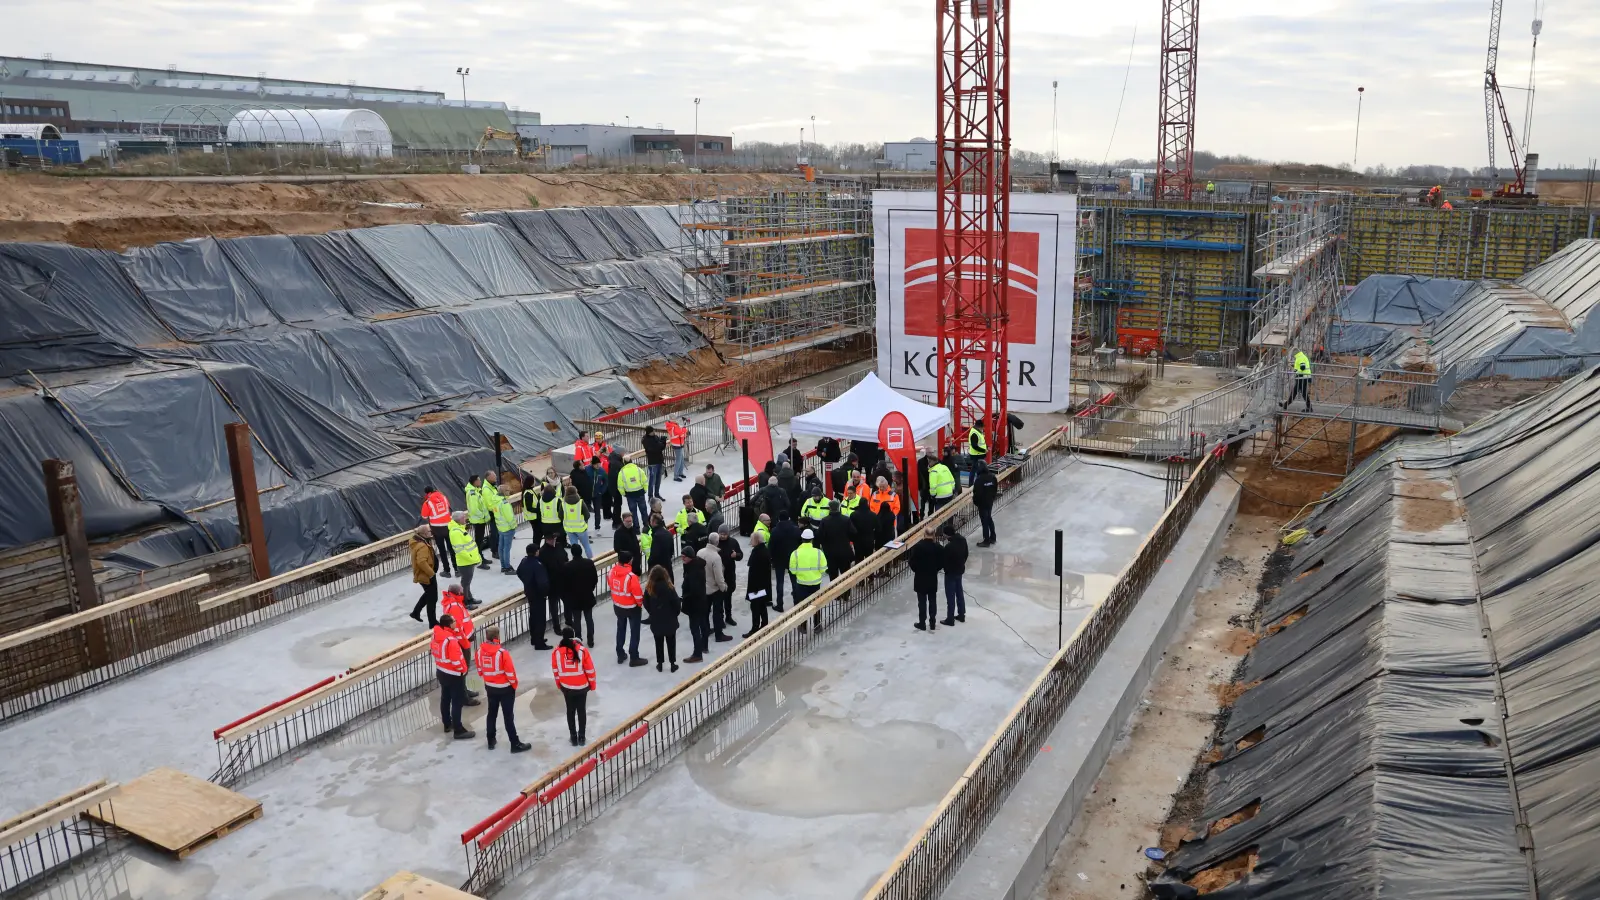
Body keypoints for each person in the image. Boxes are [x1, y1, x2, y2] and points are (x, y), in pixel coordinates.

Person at [476, 625, 531, 753]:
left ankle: (491, 739)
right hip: (505, 689)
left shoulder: (479, 652)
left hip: (490, 687)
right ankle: (514, 743)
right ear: (497, 637)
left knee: (491, 714)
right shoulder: (502, 653)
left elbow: (480, 670)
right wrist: (514, 685)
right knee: (508, 717)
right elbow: (510, 672)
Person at [551, 627, 596, 746]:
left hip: (567, 687)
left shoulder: (556, 652)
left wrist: (559, 684)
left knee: (570, 711)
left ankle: (573, 737)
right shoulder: (582, 650)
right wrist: (592, 685)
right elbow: (590, 670)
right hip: (582, 687)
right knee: (581, 711)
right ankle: (582, 737)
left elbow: (555, 670)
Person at [432, 613, 474, 739]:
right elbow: (456, 661)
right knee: (457, 702)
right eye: (454, 621)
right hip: (454, 674)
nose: (456, 622)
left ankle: (447, 724)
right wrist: (463, 670)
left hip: (441, 671)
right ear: (450, 624)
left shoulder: (436, 636)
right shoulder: (450, 640)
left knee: (445, 698)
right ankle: (458, 729)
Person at [609, 551, 648, 667]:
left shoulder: (611, 572)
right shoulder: (631, 577)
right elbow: (638, 595)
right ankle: (634, 657)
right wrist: (640, 604)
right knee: (634, 632)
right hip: (632, 608)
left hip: (618, 606)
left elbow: (612, 586)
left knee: (621, 629)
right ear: (629, 561)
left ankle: (620, 654)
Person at [514, 544, 553, 649]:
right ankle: (539, 642)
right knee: (540, 619)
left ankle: (534, 638)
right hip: (538, 595)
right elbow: (542, 582)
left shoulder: (524, 561)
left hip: (529, 592)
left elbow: (518, 572)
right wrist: (545, 592)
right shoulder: (538, 564)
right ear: (536, 551)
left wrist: (527, 583)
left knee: (533, 617)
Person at [645, 565, 681, 672]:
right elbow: (677, 604)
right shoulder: (670, 588)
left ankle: (660, 664)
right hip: (670, 620)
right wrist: (674, 614)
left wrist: (652, 612)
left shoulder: (649, 589)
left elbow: (646, 603)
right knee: (671, 642)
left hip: (656, 621)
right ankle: (673, 663)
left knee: (658, 642)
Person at [909, 526, 944, 631]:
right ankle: (932, 622)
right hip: (932, 577)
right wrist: (936, 569)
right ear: (933, 535)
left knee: (922, 602)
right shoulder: (938, 547)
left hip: (920, 578)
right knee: (932, 600)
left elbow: (912, 562)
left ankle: (922, 622)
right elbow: (941, 562)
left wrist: (917, 570)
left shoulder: (918, 547)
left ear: (924, 535)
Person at [564, 543, 599, 647]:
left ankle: (578, 639)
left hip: (574, 598)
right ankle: (590, 639)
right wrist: (590, 589)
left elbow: (566, 583)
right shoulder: (589, 563)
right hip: (587, 595)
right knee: (589, 618)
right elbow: (594, 579)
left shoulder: (568, 566)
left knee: (577, 620)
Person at [699, 533, 732, 642]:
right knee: (717, 613)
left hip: (703, 587)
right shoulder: (716, 557)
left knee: (705, 611)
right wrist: (723, 587)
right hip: (714, 589)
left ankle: (706, 630)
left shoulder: (700, 552)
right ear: (717, 542)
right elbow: (719, 576)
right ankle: (719, 635)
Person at [680, 547, 711, 662]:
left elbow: (694, 590)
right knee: (703, 625)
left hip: (695, 604)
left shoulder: (693, 570)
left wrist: (685, 597)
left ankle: (697, 654)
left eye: (684, 557)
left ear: (690, 557)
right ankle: (704, 647)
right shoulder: (696, 566)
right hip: (701, 602)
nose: (682, 558)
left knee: (695, 628)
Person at [447, 511, 482, 607]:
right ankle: (465, 602)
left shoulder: (459, 529)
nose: (465, 519)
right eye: (463, 517)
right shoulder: (455, 532)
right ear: (459, 519)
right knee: (465, 583)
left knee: (467, 582)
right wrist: (471, 559)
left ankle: (469, 598)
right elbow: (460, 550)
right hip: (465, 562)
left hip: (468, 561)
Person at [769, 511, 800, 612]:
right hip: (793, 559)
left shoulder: (774, 531)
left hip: (779, 560)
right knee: (794, 581)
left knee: (780, 582)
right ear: (789, 518)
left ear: (779, 519)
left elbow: (771, 547)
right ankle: (797, 602)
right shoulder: (796, 529)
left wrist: (772, 559)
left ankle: (780, 604)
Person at [538, 533, 569, 631]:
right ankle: (556, 626)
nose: (553, 540)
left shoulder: (559, 546)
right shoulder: (542, 552)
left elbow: (565, 557)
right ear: (546, 540)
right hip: (552, 584)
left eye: (554, 538)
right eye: (551, 539)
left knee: (567, 602)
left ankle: (569, 620)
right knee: (554, 607)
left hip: (563, 581)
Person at [421, 486, 453, 578]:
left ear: (427, 493)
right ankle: (456, 569)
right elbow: (448, 508)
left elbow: (424, 516)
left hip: (437, 529)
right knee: (451, 548)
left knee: (442, 550)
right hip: (448, 526)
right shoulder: (443, 497)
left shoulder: (428, 503)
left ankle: (447, 571)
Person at [744, 528, 772, 637]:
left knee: (755, 607)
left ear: (756, 540)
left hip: (757, 587)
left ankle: (755, 628)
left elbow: (756, 572)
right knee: (761, 606)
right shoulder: (763, 550)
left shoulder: (758, 553)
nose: (750, 542)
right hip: (762, 586)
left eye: (752, 539)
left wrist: (754, 590)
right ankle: (764, 625)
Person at [410, 525, 439, 626]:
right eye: (429, 531)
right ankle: (433, 622)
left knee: (428, 594)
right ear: (424, 534)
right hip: (427, 576)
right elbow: (421, 562)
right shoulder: (422, 546)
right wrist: (431, 574)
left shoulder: (420, 542)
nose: (431, 532)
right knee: (432, 599)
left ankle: (415, 612)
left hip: (425, 575)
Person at [790, 528, 828, 604]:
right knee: (816, 605)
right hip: (816, 584)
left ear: (802, 539)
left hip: (801, 584)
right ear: (812, 539)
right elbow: (823, 569)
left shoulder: (795, 553)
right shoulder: (819, 552)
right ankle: (816, 616)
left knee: (802, 605)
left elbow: (793, 571)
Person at [818, 500, 855, 578]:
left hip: (830, 554)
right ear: (839, 508)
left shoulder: (824, 521)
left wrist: (825, 545)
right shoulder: (846, 519)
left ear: (829, 508)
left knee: (833, 577)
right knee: (846, 576)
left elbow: (819, 536)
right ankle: (846, 590)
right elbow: (853, 533)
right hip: (844, 552)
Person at [941, 523, 969, 625]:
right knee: (959, 593)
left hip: (950, 573)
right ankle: (961, 614)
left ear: (947, 535)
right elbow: (966, 554)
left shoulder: (949, 547)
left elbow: (944, 561)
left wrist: (946, 569)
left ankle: (950, 618)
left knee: (950, 596)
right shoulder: (962, 540)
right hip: (960, 570)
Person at [717, 525, 743, 631]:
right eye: (721, 534)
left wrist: (736, 555)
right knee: (719, 598)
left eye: (724, 534)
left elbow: (741, 555)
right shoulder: (715, 542)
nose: (722, 536)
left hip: (730, 574)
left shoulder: (733, 542)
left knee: (728, 596)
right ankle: (720, 619)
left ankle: (728, 617)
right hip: (718, 575)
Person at [465, 474, 490, 566]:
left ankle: (481, 557)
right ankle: (480, 560)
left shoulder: (476, 491)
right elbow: (475, 509)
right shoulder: (472, 493)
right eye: (479, 480)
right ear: (475, 481)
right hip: (478, 520)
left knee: (480, 540)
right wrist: (483, 516)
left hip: (480, 520)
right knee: (478, 541)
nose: (480, 482)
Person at [972, 460, 999, 547]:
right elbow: (995, 489)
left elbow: (977, 493)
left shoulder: (979, 480)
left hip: (982, 503)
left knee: (984, 521)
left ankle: (986, 540)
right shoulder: (992, 476)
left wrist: (976, 502)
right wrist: (992, 498)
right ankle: (993, 537)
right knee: (989, 518)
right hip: (990, 501)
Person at [617, 458, 649, 529]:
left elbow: (620, 486)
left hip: (630, 495)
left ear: (624, 463)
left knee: (633, 513)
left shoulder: (622, 472)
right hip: (640, 493)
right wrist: (645, 490)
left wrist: (623, 493)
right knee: (643, 510)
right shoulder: (638, 469)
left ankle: (636, 528)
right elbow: (645, 480)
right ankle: (646, 526)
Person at [493, 484, 518, 574]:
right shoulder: (504, 503)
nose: (509, 491)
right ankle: (507, 567)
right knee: (507, 548)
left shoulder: (495, 501)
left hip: (501, 528)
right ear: (504, 492)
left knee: (501, 547)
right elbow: (509, 517)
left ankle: (503, 566)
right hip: (508, 528)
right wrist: (514, 526)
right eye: (507, 490)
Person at [870, 477, 901, 547]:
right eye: (880, 487)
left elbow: (897, 508)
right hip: (878, 522)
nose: (881, 488)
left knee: (889, 541)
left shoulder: (893, 495)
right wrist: (875, 516)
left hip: (889, 523)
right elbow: (871, 506)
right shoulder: (875, 494)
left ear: (887, 485)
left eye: (883, 487)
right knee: (878, 541)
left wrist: (891, 516)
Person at [562, 486, 592, 558]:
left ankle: (576, 562)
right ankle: (592, 561)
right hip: (580, 528)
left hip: (569, 529)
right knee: (586, 546)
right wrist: (584, 521)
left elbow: (560, 516)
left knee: (574, 548)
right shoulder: (580, 502)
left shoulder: (563, 503)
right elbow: (587, 515)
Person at [480, 472, 503, 564]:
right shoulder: (486, 489)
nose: (496, 478)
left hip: (496, 512)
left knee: (497, 532)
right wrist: (498, 510)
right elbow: (490, 504)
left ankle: (497, 549)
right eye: (494, 477)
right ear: (488, 477)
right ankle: (495, 551)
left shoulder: (492, 486)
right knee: (494, 532)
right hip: (493, 514)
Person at [849, 493, 878, 566]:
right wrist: (873, 537)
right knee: (869, 560)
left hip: (858, 541)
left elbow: (850, 529)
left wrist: (852, 539)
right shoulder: (873, 515)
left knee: (858, 559)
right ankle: (870, 576)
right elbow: (878, 528)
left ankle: (859, 576)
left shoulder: (853, 515)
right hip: (869, 540)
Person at [641, 425, 668, 502]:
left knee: (658, 479)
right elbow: (656, 448)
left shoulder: (655, 437)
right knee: (652, 480)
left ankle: (657, 493)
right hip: (652, 462)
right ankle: (650, 496)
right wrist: (662, 442)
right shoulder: (645, 440)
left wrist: (663, 441)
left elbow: (661, 447)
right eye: (652, 431)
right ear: (649, 432)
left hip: (659, 460)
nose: (654, 432)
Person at [646, 512, 676, 578]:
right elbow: (672, 550)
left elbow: (654, 554)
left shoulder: (656, 536)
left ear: (654, 522)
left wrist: (649, 562)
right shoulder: (668, 533)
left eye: (651, 521)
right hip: (668, 565)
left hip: (659, 569)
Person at [535, 482, 563, 547]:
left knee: (548, 542)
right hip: (556, 525)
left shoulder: (540, 500)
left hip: (545, 525)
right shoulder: (557, 500)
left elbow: (538, 512)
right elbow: (562, 513)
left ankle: (548, 555)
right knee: (558, 543)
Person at [585, 455, 609, 529]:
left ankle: (597, 527)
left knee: (597, 511)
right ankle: (585, 527)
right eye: (596, 464)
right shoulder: (587, 469)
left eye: (599, 464)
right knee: (585, 512)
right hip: (587, 494)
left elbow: (606, 481)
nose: (598, 465)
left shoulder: (601, 471)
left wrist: (601, 491)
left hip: (597, 494)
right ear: (592, 464)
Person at [605, 444, 626, 523]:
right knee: (617, 504)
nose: (624, 454)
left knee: (617, 504)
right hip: (616, 487)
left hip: (613, 485)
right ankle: (616, 521)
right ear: (620, 452)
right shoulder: (617, 463)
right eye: (623, 452)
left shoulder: (613, 459)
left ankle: (616, 519)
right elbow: (616, 476)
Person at [668, 416, 690, 482]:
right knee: (678, 460)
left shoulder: (674, 425)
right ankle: (676, 476)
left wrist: (683, 429)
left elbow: (680, 431)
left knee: (681, 459)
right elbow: (680, 433)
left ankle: (680, 473)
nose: (676, 420)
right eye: (674, 419)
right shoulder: (673, 427)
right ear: (671, 420)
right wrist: (685, 430)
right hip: (677, 444)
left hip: (679, 443)